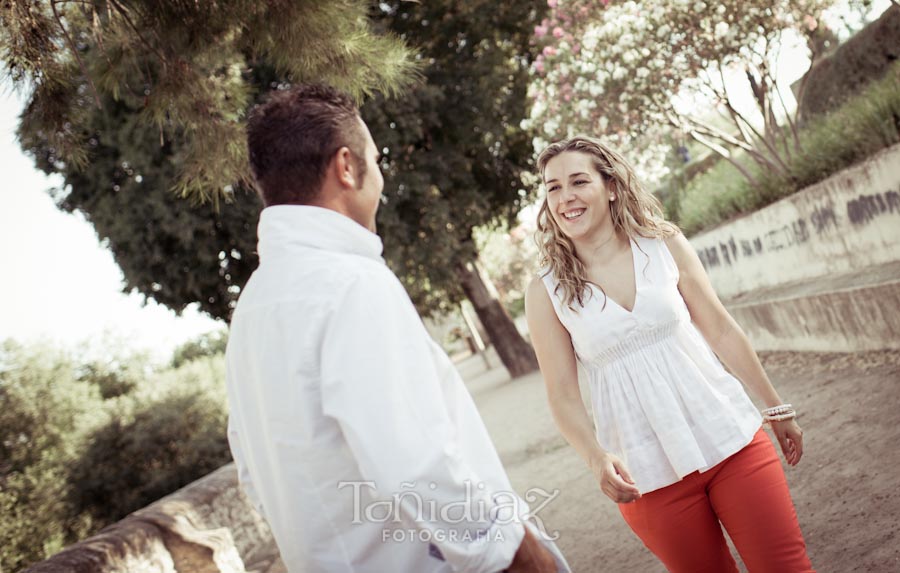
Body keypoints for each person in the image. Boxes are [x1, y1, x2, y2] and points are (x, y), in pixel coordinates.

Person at [225, 84, 570, 573]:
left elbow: (252, 471)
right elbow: (418, 462)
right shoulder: (350, 284)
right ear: (347, 166)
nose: (382, 176)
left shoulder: (253, 307)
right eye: (377, 159)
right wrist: (517, 553)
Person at [524, 135, 815, 572]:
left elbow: (720, 328)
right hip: (647, 476)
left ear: (611, 186)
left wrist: (776, 407)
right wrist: (596, 457)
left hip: (730, 437)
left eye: (578, 182)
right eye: (553, 187)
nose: (565, 198)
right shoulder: (546, 292)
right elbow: (562, 396)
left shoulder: (663, 245)